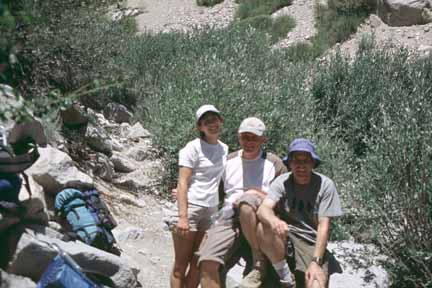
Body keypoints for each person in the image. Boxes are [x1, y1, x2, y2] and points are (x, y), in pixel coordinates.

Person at [198, 117, 287, 288]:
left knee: (246, 202)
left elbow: (283, 198)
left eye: (254, 137)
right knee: (207, 262)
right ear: (239, 138)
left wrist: (255, 193)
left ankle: (258, 260)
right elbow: (212, 189)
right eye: (245, 137)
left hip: (261, 218)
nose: (249, 142)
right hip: (230, 218)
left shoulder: (274, 163)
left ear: (263, 139)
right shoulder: (228, 160)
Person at [257, 138, 343, 288]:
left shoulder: (325, 185)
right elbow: (264, 208)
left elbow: (324, 225)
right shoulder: (282, 182)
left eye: (306, 161)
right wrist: (274, 221)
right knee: (263, 225)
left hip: (309, 240)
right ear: (289, 163)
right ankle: (283, 274)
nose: (301, 166)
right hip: (285, 235)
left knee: (315, 283)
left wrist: (316, 262)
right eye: (296, 160)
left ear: (313, 163)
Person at [167, 105, 228, 288]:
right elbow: (183, 182)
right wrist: (182, 216)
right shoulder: (192, 148)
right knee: (181, 264)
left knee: (197, 264)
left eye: (214, 120)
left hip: (211, 211)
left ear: (221, 122)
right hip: (191, 208)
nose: (212, 125)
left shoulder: (224, 149)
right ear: (200, 127)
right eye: (206, 122)